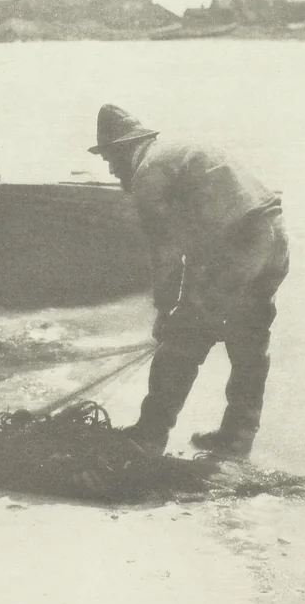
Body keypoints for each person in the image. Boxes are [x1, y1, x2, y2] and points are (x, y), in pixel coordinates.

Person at [88, 104, 290, 459]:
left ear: (124, 150)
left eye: (109, 158)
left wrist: (167, 310)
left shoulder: (147, 173)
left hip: (241, 244)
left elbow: (165, 252)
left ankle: (149, 436)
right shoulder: (177, 153)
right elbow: (197, 245)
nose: (111, 169)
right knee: (250, 340)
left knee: (183, 340)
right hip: (274, 238)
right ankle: (236, 440)